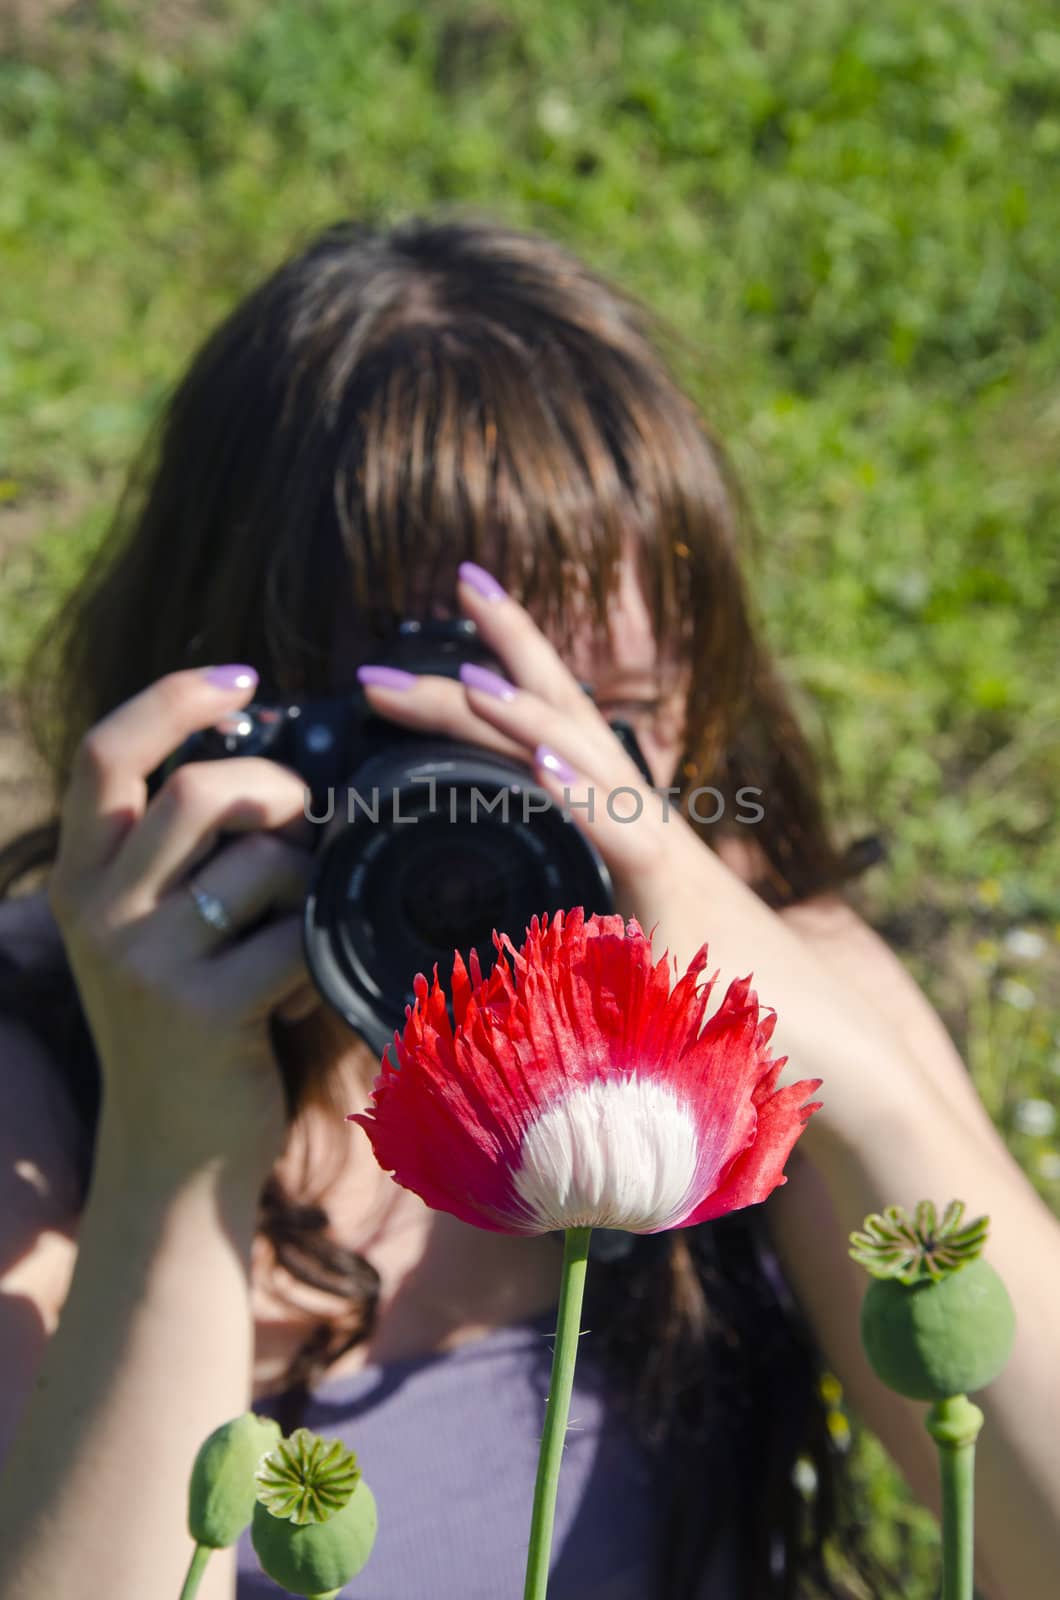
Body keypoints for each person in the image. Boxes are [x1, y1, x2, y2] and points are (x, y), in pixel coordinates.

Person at [0, 214, 1056, 1600]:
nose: (500, 808)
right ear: (223, 710)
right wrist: (172, 1149)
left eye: (593, 720)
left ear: (696, 717)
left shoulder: (759, 988)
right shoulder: (49, 1066)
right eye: (407, 726)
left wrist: (843, 1073)